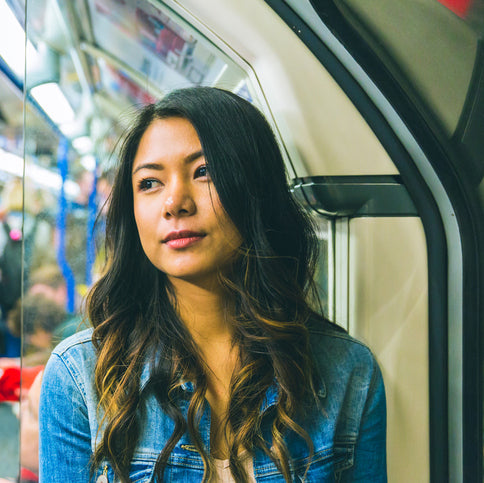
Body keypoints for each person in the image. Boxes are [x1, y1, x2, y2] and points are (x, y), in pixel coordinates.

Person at [39, 87, 387, 482]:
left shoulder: (348, 374)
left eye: (204, 172)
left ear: (255, 189)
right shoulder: (80, 378)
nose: (175, 202)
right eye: (150, 183)